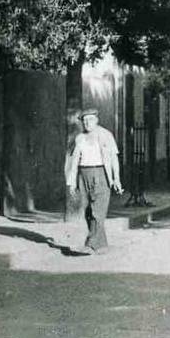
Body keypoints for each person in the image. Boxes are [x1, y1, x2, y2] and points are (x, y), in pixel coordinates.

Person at [65, 109, 123, 255]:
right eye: (84, 121)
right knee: (87, 210)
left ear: (96, 120)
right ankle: (101, 245)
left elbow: (114, 158)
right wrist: (72, 182)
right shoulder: (80, 138)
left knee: (98, 210)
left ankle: (90, 244)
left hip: (100, 174)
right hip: (83, 175)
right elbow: (73, 161)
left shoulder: (106, 135)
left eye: (90, 120)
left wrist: (116, 179)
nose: (87, 123)